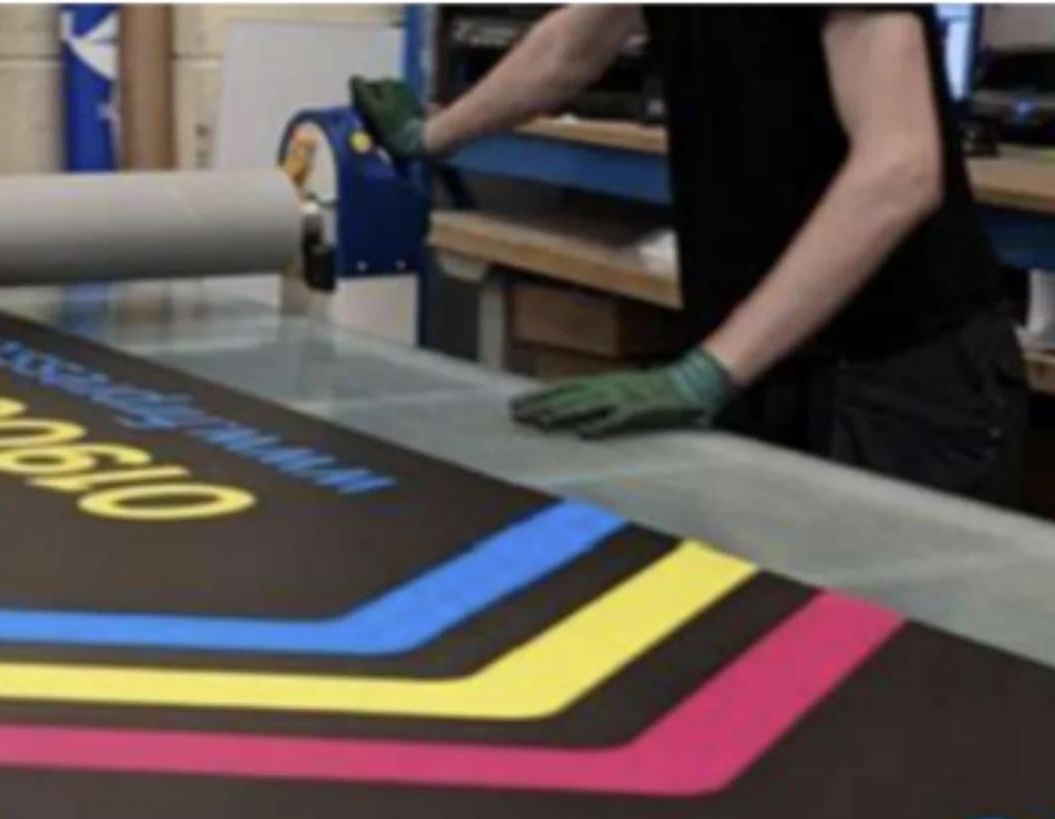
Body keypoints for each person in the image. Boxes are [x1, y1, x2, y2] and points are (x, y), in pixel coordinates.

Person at [352, 6, 1028, 506]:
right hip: (770, 367)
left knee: (886, 675)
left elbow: (901, 169)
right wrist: (429, 134)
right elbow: (567, 50)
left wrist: (704, 374)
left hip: (897, 385)